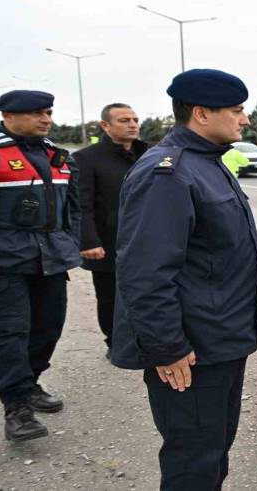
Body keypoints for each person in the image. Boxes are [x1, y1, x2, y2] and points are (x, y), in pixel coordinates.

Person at [111, 69, 257, 490]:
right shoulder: (168, 172)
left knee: (213, 448)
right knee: (193, 460)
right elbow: (145, 272)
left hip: (222, 339)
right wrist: (167, 347)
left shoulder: (206, 162)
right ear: (201, 113)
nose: (245, 119)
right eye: (236, 110)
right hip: (192, 350)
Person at [0, 90, 80, 441]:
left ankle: (31, 381)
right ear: (8, 116)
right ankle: (17, 407)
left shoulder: (56, 155)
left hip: (50, 257)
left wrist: (72, 242)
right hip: (0, 261)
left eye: (48, 112)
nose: (46, 119)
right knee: (10, 332)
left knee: (48, 327)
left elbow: (73, 208)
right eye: (37, 113)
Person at [73, 103, 148, 357]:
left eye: (135, 119)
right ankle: (115, 342)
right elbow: (82, 204)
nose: (133, 124)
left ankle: (147, 337)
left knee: (150, 290)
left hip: (147, 238)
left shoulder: (148, 153)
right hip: (109, 241)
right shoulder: (87, 158)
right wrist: (88, 240)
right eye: (124, 120)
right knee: (110, 296)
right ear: (105, 125)